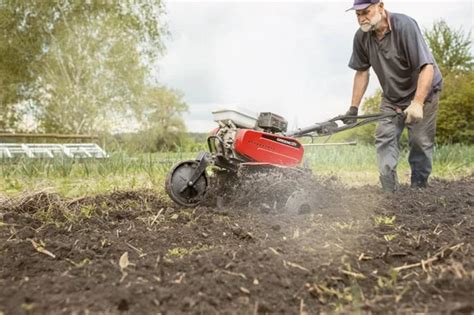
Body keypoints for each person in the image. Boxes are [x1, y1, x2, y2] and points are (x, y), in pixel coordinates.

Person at [343, 0, 443, 192]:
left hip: (423, 92)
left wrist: (417, 103)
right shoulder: (361, 37)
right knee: (384, 137)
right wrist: (354, 108)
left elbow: (427, 67)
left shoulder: (405, 25)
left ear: (380, 7)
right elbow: (362, 72)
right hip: (392, 97)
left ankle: (419, 189)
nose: (362, 18)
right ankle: (390, 193)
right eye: (358, 14)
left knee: (420, 141)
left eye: (366, 12)